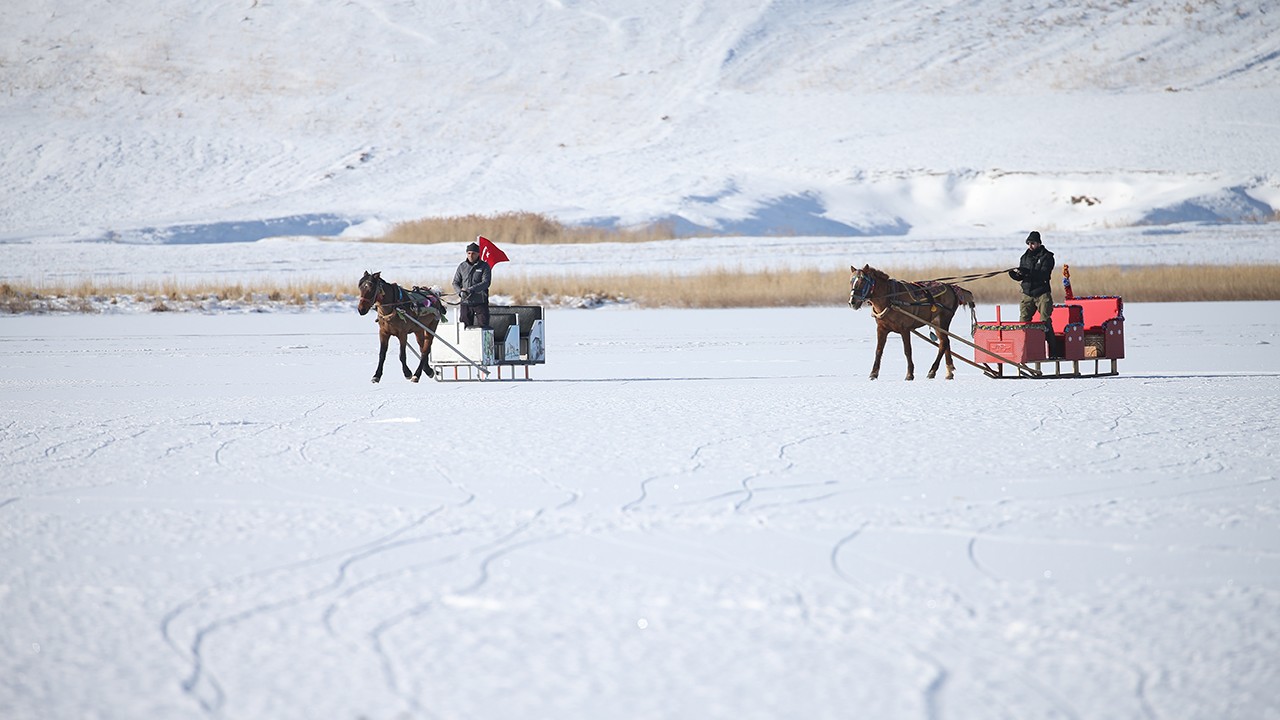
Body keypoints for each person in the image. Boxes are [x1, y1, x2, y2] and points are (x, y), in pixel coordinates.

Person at [1008, 230, 1057, 351]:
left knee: (1044, 321)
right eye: (1028, 243)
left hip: (1042, 293)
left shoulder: (1047, 256)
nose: (1030, 246)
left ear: (1039, 243)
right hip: (1027, 294)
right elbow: (1023, 275)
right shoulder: (1024, 257)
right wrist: (1016, 276)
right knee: (1023, 321)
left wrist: (1028, 272)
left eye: (1033, 243)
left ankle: (1054, 349)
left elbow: (1044, 274)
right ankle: (1023, 349)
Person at [452, 241, 491, 328]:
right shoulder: (462, 266)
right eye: (469, 253)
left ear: (478, 254)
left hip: (480, 302)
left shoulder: (484, 266)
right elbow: (455, 282)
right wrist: (460, 292)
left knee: (483, 326)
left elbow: (486, 282)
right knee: (464, 327)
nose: (471, 255)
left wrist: (472, 289)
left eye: (473, 253)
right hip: (465, 302)